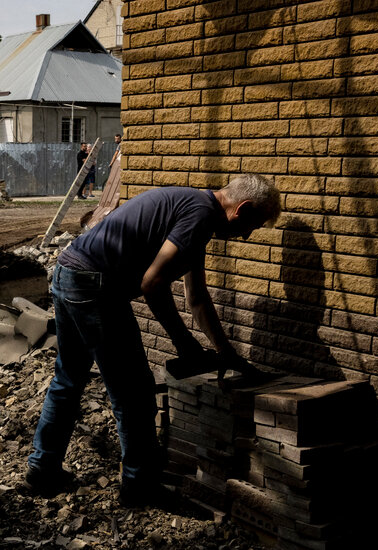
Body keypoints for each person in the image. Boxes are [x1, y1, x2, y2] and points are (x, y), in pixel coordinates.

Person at [22, 174, 281, 507]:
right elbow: (153, 283)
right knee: (134, 393)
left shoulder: (193, 208)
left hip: (69, 272)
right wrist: (184, 344)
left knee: (68, 380)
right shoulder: (200, 217)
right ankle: (139, 486)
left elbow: (197, 298)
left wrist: (226, 353)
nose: (245, 235)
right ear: (241, 209)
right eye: (252, 226)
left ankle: (42, 468)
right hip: (95, 287)